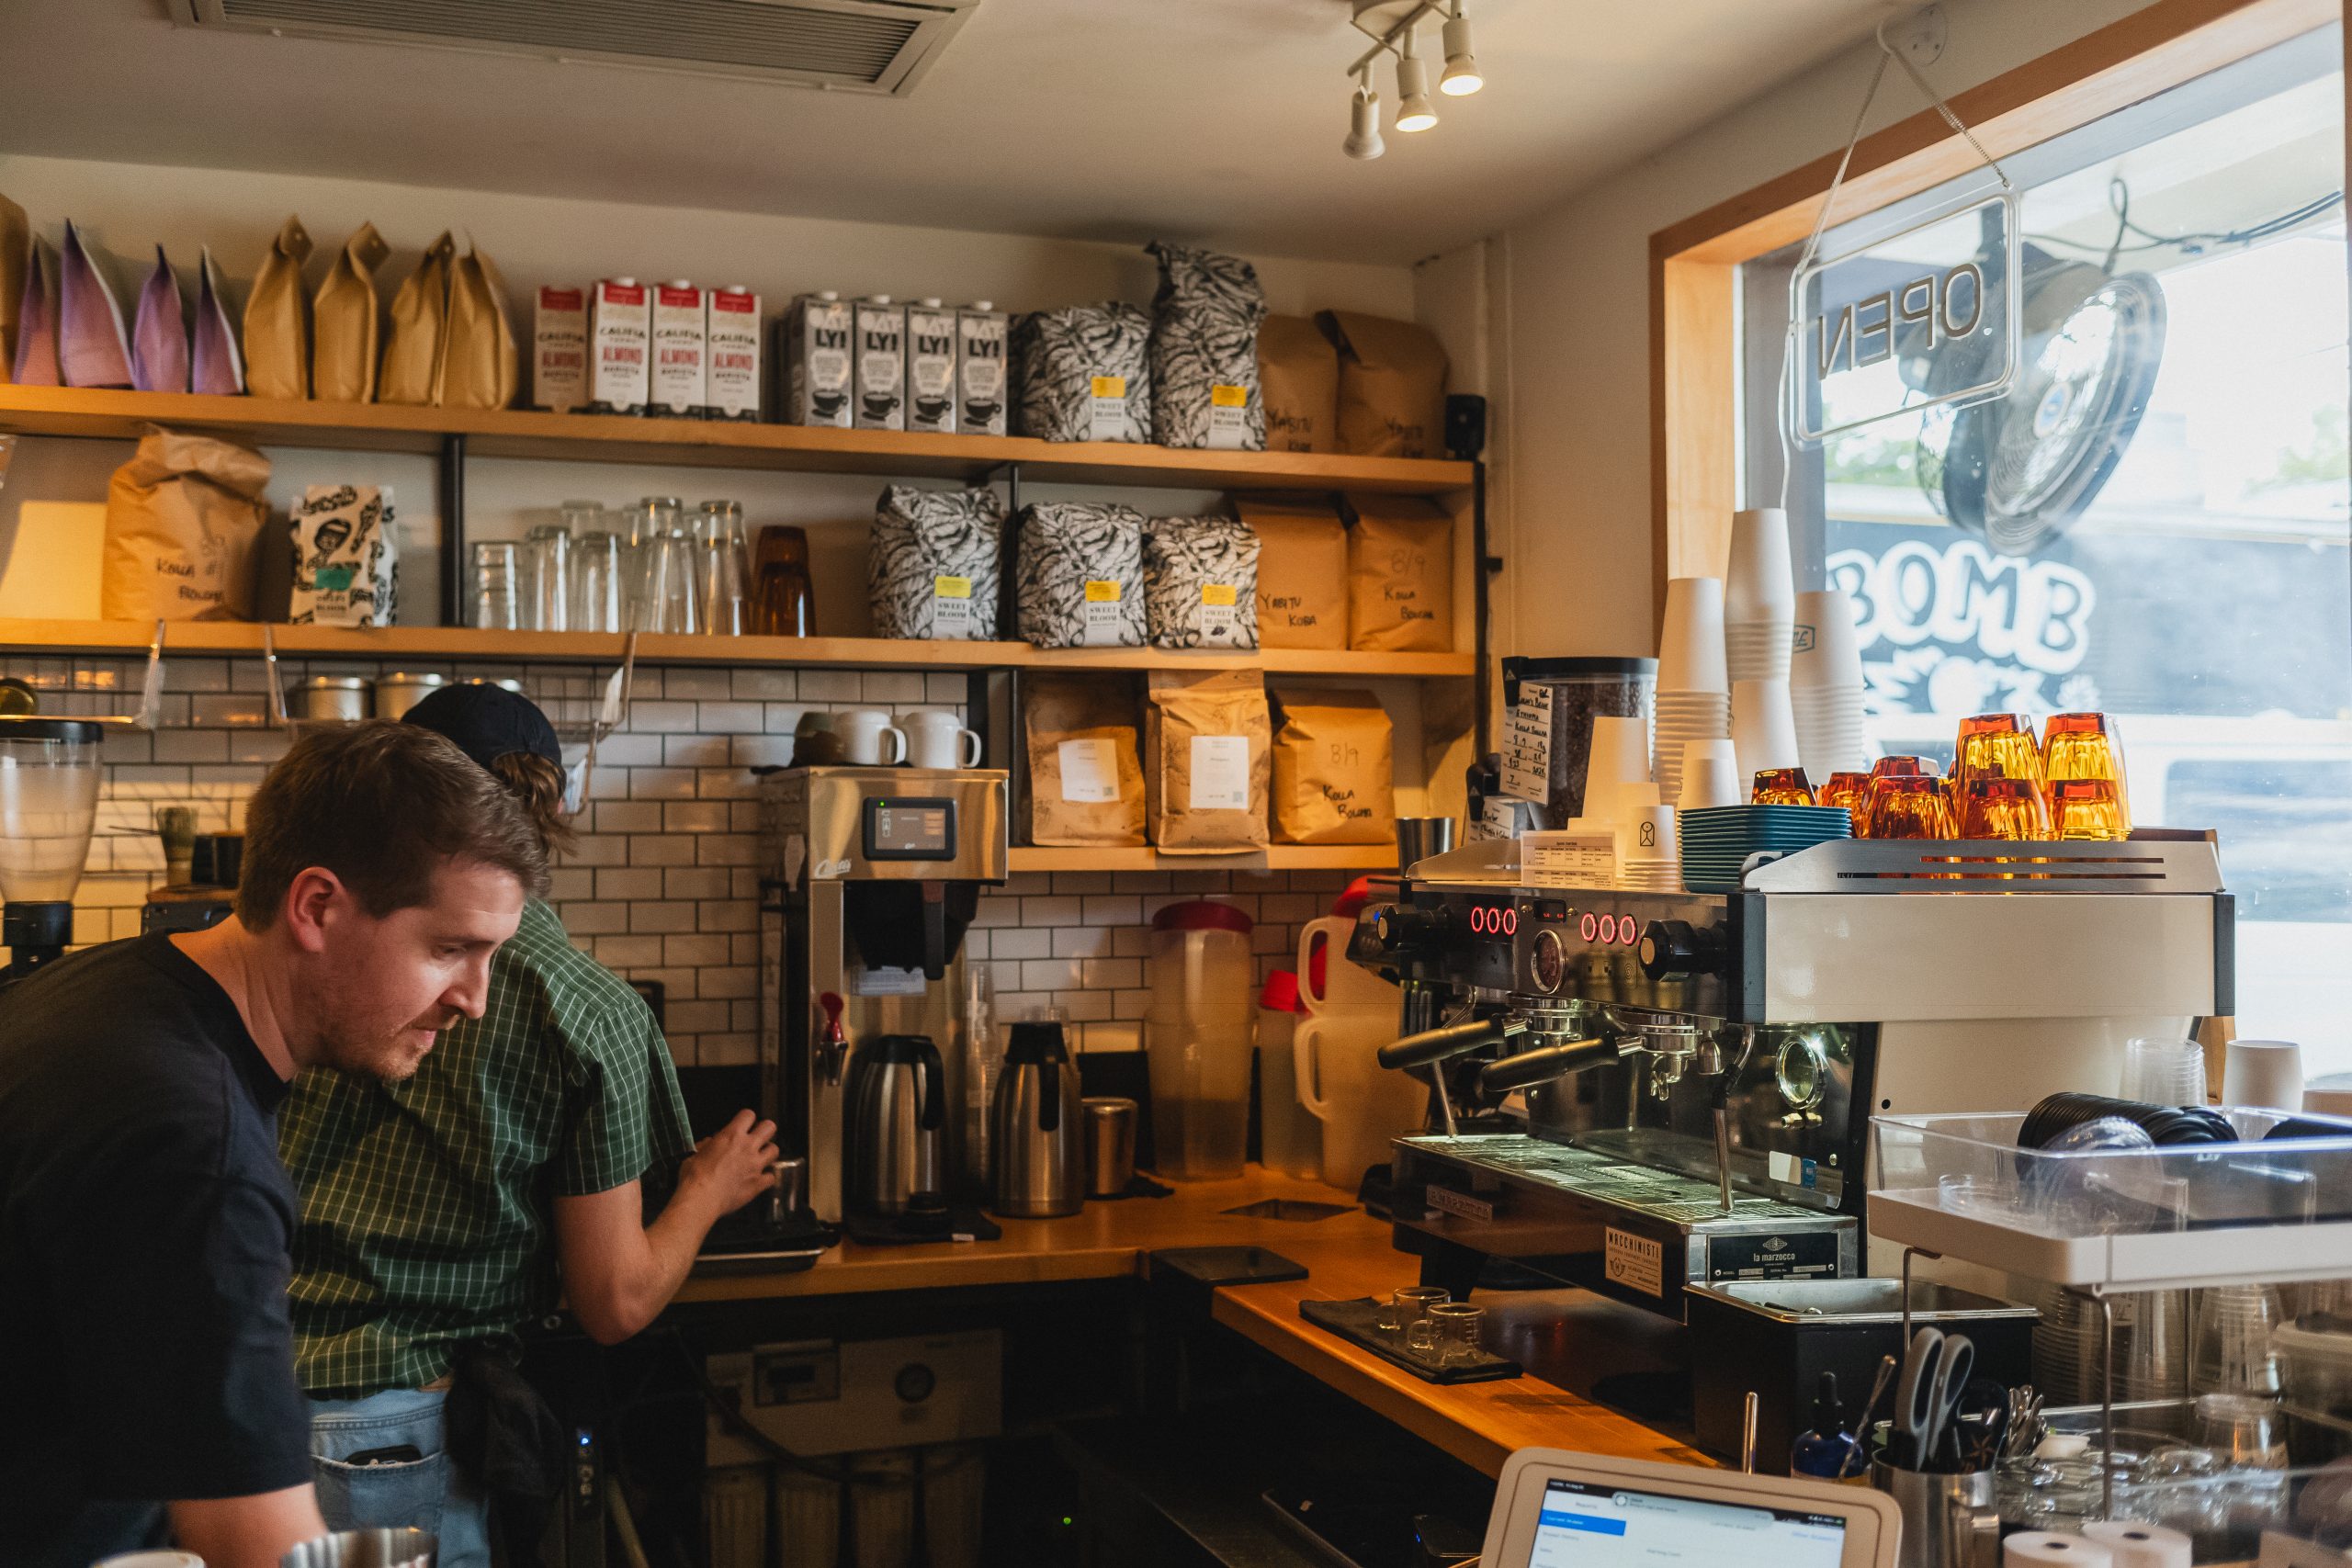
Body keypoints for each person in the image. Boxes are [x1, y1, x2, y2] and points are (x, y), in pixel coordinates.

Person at [0, 722, 546, 1568]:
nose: (474, 999)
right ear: (317, 906)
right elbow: (260, 1550)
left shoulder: (104, 988)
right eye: (450, 950)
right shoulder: (194, 1145)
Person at [279, 683, 777, 1563]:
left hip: (244, 1394)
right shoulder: (589, 1011)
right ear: (555, 809)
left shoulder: (321, 950)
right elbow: (613, 1301)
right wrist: (706, 1188)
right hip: (390, 1435)